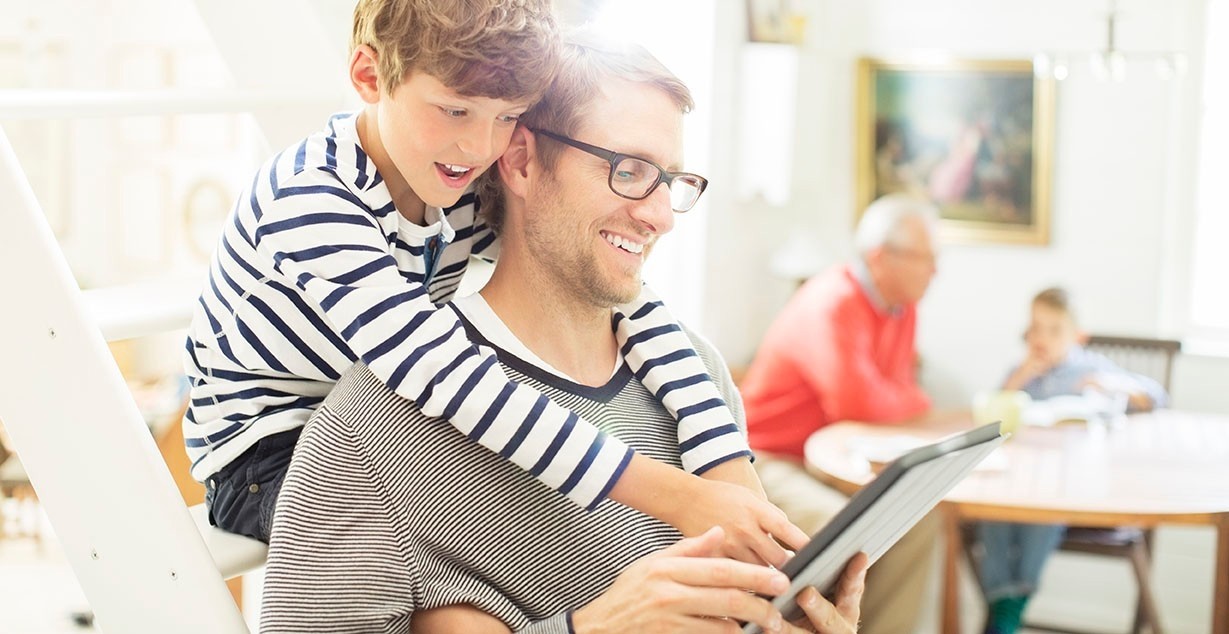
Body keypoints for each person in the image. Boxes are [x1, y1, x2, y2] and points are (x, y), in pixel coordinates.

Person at [260, 31, 861, 634]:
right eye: (628, 171)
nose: (657, 216)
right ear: (520, 161)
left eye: (671, 182)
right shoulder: (372, 434)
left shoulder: (696, 375)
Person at [182, 0, 801, 566]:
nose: (479, 146)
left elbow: (637, 311)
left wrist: (723, 466)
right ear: (371, 78)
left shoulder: (453, 181)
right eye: (454, 110)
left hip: (368, 412)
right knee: (498, 523)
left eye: (505, 116)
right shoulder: (311, 201)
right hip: (262, 456)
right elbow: (443, 374)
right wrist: (680, 499)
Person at [739, 193, 944, 634]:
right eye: (924, 257)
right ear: (880, 257)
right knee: (857, 535)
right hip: (766, 461)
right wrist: (907, 399)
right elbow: (862, 404)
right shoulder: (832, 302)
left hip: (829, 459)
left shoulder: (902, 309)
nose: (935, 270)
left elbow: (894, 397)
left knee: (920, 520)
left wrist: (897, 397)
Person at [976, 287, 1168, 634]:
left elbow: (1156, 396)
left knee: (1042, 515)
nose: (1041, 339)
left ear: (1078, 336)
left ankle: (1012, 602)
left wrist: (1114, 385)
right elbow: (990, 414)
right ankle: (1004, 596)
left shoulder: (1090, 368)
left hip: (1068, 485)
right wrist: (1019, 379)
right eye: (1035, 328)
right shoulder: (1021, 372)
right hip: (1019, 478)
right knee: (992, 513)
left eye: (1053, 330)